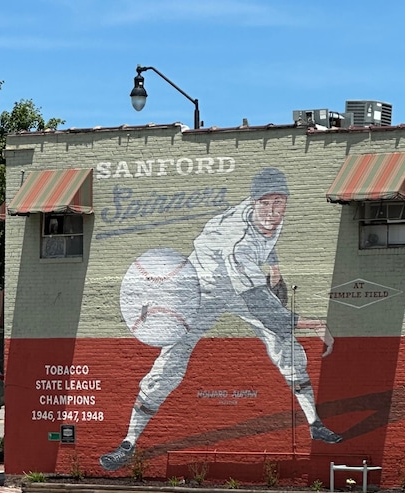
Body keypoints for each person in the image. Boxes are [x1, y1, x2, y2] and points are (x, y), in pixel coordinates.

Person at [100, 167, 342, 472]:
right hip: (203, 289)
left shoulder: (267, 218)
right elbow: (267, 310)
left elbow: (267, 242)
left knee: (287, 348)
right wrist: (317, 325)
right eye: (265, 203)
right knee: (170, 365)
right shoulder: (238, 242)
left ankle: (314, 423)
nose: (272, 210)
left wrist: (275, 268)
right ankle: (128, 442)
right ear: (253, 203)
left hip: (239, 288)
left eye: (279, 202)